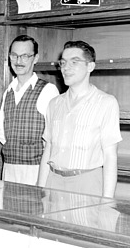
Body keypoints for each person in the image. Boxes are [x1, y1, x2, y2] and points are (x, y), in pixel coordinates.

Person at [37, 40, 122, 198]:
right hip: (53, 181)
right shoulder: (54, 104)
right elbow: (47, 149)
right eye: (63, 63)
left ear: (90, 66)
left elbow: (110, 156)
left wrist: (107, 201)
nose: (66, 68)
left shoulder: (106, 103)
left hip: (87, 183)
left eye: (74, 62)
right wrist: (40, 190)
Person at [0, 35, 59, 185]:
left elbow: (54, 138)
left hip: (36, 170)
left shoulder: (48, 90)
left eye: (25, 56)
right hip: (9, 168)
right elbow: (1, 133)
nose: (19, 61)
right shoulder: (8, 92)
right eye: (14, 55)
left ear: (35, 58)